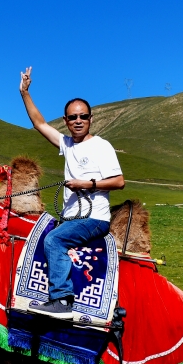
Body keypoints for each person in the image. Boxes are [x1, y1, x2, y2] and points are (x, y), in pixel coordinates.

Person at [19, 66, 125, 318]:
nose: (78, 121)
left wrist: (85, 184)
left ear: (91, 119)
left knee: (54, 240)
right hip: (71, 217)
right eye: (72, 117)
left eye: (83, 116)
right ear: (65, 121)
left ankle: (62, 300)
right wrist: (24, 92)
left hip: (94, 218)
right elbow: (39, 123)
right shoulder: (66, 144)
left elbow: (119, 181)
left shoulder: (102, 146)